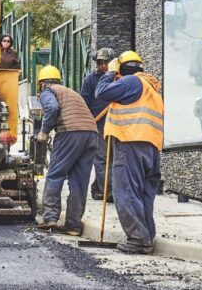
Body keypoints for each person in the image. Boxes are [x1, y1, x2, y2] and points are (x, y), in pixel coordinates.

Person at [95, 50, 163, 255]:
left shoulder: (131, 82)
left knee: (124, 191)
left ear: (121, 68)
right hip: (150, 146)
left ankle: (138, 239)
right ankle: (146, 235)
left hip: (130, 141)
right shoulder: (150, 87)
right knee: (142, 195)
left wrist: (109, 73)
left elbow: (102, 92)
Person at [35, 65, 99, 236]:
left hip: (70, 132)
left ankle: (50, 218)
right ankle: (73, 225)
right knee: (79, 181)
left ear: (41, 84)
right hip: (91, 134)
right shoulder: (70, 92)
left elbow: (53, 108)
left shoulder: (48, 92)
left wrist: (44, 132)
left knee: (55, 174)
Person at [80, 48, 115, 201]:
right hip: (98, 124)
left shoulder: (117, 78)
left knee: (113, 157)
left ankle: (98, 188)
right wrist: (88, 123)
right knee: (101, 158)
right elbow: (84, 104)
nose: (102, 66)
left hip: (116, 123)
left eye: (105, 63)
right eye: (99, 63)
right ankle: (108, 190)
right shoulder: (89, 80)